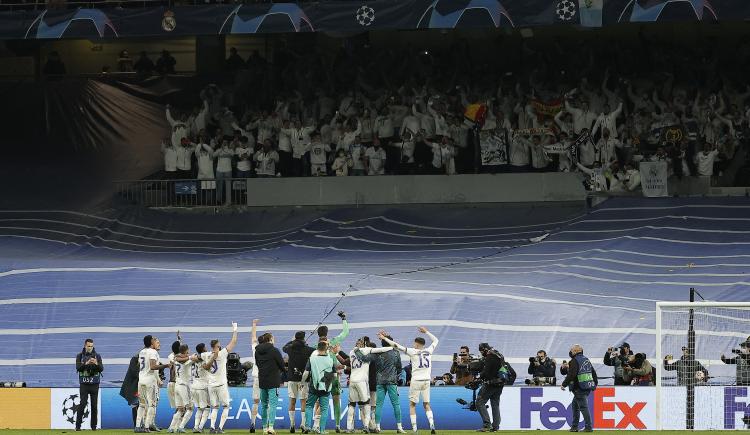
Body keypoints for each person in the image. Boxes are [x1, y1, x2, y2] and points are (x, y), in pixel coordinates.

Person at [380, 327, 438, 433]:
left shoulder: (413, 351)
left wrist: (385, 338)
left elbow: (396, 346)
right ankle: (432, 424)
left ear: (416, 344)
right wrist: (427, 332)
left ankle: (415, 429)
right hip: (426, 381)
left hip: (416, 381)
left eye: (414, 343)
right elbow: (436, 340)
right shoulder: (429, 351)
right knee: (427, 404)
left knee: (412, 405)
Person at [357, 333, 404, 433]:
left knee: (378, 405)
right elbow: (399, 367)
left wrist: (357, 351)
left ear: (382, 344)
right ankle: (399, 427)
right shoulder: (396, 353)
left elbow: (364, 359)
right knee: (396, 404)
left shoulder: (377, 353)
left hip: (380, 382)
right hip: (392, 382)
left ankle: (377, 427)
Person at [314, 313, 350, 432]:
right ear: (327, 333)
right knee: (336, 399)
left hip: (321, 376)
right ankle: (338, 426)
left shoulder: (315, 347)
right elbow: (345, 332)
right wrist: (344, 319)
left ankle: (316, 425)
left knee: (320, 401)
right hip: (333, 376)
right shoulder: (333, 342)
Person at [202, 322, 239, 434]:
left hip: (211, 386)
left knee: (215, 407)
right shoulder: (222, 353)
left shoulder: (206, 355)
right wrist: (235, 329)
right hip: (221, 385)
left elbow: (196, 358)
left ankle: (212, 428)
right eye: (219, 344)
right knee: (226, 406)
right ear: (217, 346)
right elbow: (233, 342)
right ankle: (220, 428)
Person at [135, 335, 171, 433]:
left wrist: (158, 378)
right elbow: (153, 366)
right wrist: (166, 365)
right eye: (155, 341)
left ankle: (138, 426)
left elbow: (140, 365)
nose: (157, 343)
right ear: (151, 342)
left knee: (142, 404)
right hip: (149, 381)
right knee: (152, 404)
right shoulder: (153, 352)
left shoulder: (141, 351)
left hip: (141, 380)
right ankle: (147, 426)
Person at [561, 344, 597, 433]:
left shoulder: (574, 360)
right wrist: (594, 384)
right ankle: (574, 427)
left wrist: (564, 384)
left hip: (578, 387)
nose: (571, 352)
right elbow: (593, 372)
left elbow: (572, 374)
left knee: (583, 407)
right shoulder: (586, 359)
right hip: (587, 386)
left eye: (572, 350)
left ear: (577, 351)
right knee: (575, 406)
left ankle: (588, 427)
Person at [301, 342, 336, 434]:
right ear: (326, 348)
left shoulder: (312, 358)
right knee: (324, 409)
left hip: (314, 387)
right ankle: (322, 430)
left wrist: (302, 382)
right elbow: (335, 375)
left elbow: (306, 373)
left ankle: (307, 426)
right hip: (326, 388)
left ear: (317, 348)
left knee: (309, 406)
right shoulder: (331, 359)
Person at [284, 331, 315, 433]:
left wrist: (292, 341)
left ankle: (292, 424)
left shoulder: (290, 348)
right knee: (303, 402)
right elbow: (315, 351)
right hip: (303, 380)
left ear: (295, 338)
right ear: (303, 338)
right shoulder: (308, 349)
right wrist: (305, 344)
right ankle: (303, 424)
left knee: (292, 401)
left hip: (292, 379)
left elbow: (284, 347)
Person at [256, 332, 286, 434]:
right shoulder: (274, 350)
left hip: (262, 381)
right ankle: (271, 427)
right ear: (270, 339)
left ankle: (264, 428)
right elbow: (282, 366)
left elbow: (258, 364)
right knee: (272, 405)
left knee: (264, 405)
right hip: (273, 381)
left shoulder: (257, 351)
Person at [75, 338, 103, 432]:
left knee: (94, 406)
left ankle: (94, 427)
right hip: (84, 384)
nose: (90, 348)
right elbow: (78, 368)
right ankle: (78, 426)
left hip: (95, 384)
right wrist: (86, 363)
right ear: (85, 345)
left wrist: (96, 363)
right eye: (88, 346)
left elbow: (101, 369)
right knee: (82, 404)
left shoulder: (97, 356)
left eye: (91, 346)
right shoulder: (80, 356)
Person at [475, 343, 504, 432]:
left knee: (479, 402)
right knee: (495, 404)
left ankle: (487, 424)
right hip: (500, 383)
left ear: (484, 350)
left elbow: (487, 372)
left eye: (481, 351)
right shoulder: (499, 355)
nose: (481, 353)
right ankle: (495, 426)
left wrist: (480, 376)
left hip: (491, 383)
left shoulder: (489, 357)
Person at [171, 344, 195, 433]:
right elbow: (192, 359)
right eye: (188, 350)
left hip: (177, 386)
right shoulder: (188, 360)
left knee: (180, 409)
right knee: (190, 408)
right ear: (186, 351)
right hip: (184, 386)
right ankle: (181, 426)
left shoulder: (176, 359)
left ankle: (171, 428)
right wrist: (190, 357)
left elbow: (177, 358)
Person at [192, 343, 212, 433]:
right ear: (203, 349)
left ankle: (196, 427)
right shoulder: (204, 358)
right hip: (203, 386)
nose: (206, 348)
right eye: (205, 347)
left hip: (194, 386)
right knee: (207, 407)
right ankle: (200, 427)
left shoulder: (194, 357)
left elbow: (193, 358)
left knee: (200, 408)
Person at [250, 319, 261, 433]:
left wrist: (254, 325)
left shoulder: (255, 349)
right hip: (266, 378)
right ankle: (267, 425)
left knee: (256, 402)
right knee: (267, 402)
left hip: (257, 378)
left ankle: (253, 423)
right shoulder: (271, 350)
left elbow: (253, 338)